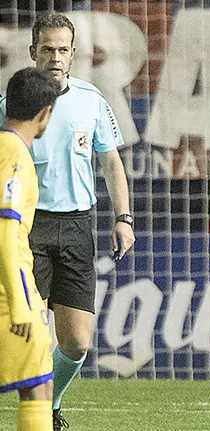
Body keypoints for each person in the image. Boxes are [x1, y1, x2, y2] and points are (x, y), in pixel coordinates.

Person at [0, 13, 135, 430]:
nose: (56, 57)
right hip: (28, 228)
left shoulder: (91, 99)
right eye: (48, 49)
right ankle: (36, 414)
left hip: (77, 226)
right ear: (33, 52)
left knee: (76, 342)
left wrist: (123, 218)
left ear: (74, 54)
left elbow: (111, 160)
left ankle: (50, 404)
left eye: (63, 49)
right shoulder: (13, 106)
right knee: (31, 335)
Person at [0, 67, 60, 431]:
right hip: (9, 292)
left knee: (39, 380)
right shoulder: (16, 156)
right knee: (38, 385)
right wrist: (22, 304)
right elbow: (6, 231)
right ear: (45, 114)